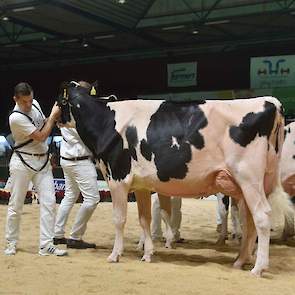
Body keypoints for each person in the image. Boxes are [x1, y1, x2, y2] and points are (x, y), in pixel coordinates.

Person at [5, 82, 67, 256]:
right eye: (24, 102)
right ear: (15, 99)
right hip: (22, 163)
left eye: (30, 100)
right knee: (16, 205)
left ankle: (46, 244)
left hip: (42, 162)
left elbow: (43, 124)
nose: (29, 104)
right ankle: (11, 242)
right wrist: (53, 117)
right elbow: (40, 136)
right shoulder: (15, 118)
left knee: (49, 202)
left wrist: (53, 119)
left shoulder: (36, 104)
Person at [53, 80, 100, 249]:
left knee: (70, 196)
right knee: (93, 199)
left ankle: (57, 234)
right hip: (80, 161)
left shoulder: (64, 106)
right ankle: (75, 236)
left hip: (66, 159)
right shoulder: (82, 112)